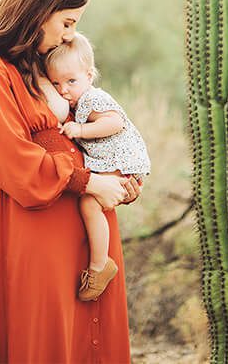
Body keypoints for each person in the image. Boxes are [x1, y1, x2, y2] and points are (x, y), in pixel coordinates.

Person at [0, 0, 140, 363]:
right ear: (40, 8)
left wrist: (120, 176)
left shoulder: (38, 66)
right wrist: (89, 183)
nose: (70, 34)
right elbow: (14, 163)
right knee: (47, 336)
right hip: (38, 221)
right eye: (67, 23)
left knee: (92, 333)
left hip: (88, 213)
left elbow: (89, 124)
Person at [40, 33, 151, 302]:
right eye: (56, 83)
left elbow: (115, 123)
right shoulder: (76, 101)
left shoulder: (93, 98)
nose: (63, 89)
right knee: (91, 205)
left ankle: (99, 266)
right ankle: (99, 264)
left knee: (89, 205)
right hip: (111, 160)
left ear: (89, 76)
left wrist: (80, 129)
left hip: (121, 159)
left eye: (71, 81)